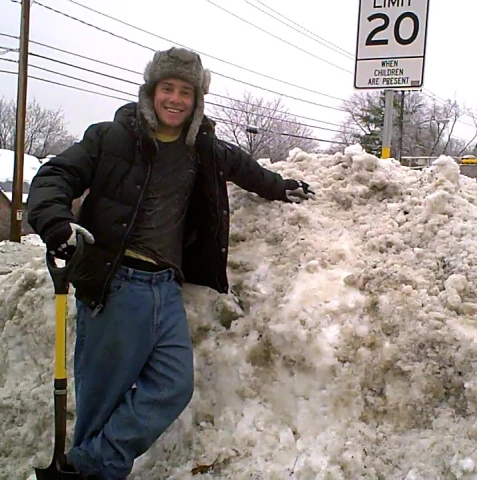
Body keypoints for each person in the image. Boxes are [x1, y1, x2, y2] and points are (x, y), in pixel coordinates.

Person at [25, 46, 314, 479]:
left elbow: (248, 170)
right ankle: (90, 468)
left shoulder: (203, 148)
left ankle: (84, 467)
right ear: (151, 91)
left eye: (186, 91)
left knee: (174, 386)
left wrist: (282, 187)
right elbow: (55, 175)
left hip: (165, 287)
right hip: (116, 285)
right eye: (168, 88)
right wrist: (56, 222)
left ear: (197, 99)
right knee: (102, 399)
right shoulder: (110, 138)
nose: (175, 99)